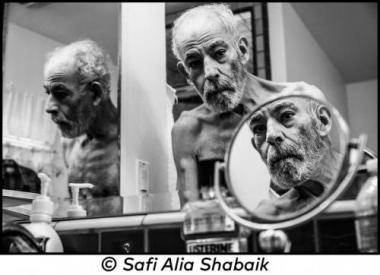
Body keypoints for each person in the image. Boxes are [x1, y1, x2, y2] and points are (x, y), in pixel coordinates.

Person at [171, 3, 314, 205]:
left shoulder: (300, 99)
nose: (210, 72)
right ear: (186, 74)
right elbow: (190, 214)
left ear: (242, 50)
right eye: (194, 63)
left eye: (219, 53)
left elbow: (326, 188)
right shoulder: (188, 129)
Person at [43, 39, 120, 215]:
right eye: (48, 93)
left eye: (60, 94)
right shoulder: (68, 145)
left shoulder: (128, 147)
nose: (48, 107)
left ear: (95, 94)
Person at [248, 95, 340, 217]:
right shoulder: (274, 216)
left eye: (287, 116)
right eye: (259, 129)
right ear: (256, 147)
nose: (270, 136)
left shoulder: (370, 183)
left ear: (322, 122)